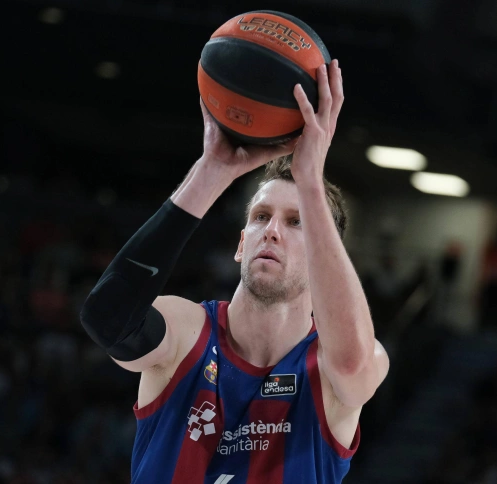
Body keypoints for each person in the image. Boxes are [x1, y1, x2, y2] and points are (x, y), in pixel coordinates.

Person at [81, 59, 389, 483]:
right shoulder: (187, 331)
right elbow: (106, 319)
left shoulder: (338, 367)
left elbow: (353, 366)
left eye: (296, 222)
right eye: (261, 217)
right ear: (242, 244)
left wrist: (312, 182)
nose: (273, 232)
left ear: (324, 258)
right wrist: (213, 170)